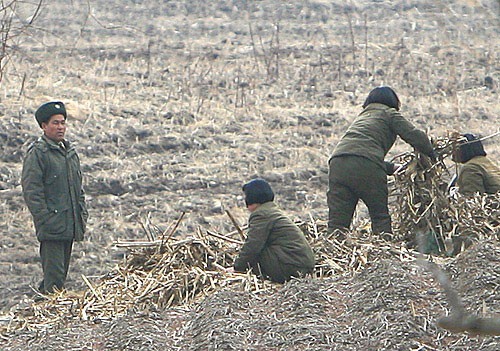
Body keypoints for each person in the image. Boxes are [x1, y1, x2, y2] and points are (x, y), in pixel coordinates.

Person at [327, 86, 436, 235]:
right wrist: (432, 154)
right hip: (366, 164)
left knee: (337, 224)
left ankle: (334, 251)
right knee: (380, 217)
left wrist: (391, 168)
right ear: (393, 102)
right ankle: (384, 249)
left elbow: (356, 154)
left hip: (337, 164)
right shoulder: (388, 113)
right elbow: (415, 136)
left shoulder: (362, 118)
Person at [22, 101, 88, 294]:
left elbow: (78, 188)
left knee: (59, 278)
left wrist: (82, 214)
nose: (60, 127)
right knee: (54, 281)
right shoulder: (38, 154)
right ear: (44, 126)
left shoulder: (69, 153)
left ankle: (45, 313)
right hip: (52, 226)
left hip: (69, 224)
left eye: (63, 123)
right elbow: (31, 190)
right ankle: (45, 317)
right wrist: (45, 218)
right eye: (55, 123)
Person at [232, 178, 315, 283]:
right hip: (301, 264)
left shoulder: (261, 214)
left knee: (256, 253)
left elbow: (253, 245)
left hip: (292, 266)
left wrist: (237, 267)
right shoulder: (272, 211)